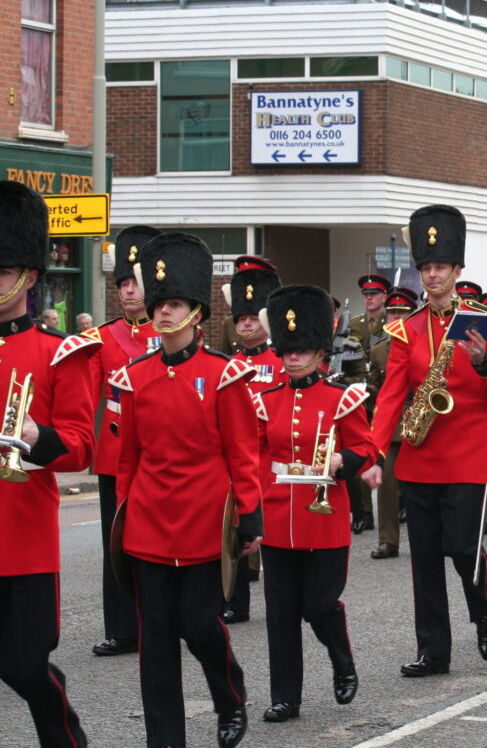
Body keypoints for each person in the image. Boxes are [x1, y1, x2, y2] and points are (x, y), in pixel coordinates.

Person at [113, 232, 263, 748]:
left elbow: (241, 453)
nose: (161, 312)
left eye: (172, 303)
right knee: (155, 642)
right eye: (157, 304)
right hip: (149, 527)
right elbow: (129, 457)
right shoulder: (135, 377)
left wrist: (251, 517)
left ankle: (229, 695)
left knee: (200, 627)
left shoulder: (224, 376)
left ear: (196, 312)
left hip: (204, 524)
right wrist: (123, 518)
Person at [369, 204, 487, 677]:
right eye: (426, 268)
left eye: (440, 268)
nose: (432, 276)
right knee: (426, 561)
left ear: (457, 270)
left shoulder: (486, 322)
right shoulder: (406, 328)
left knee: (462, 548)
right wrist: (373, 450)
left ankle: (485, 614)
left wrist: (482, 363)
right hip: (418, 458)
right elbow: (391, 396)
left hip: (468, 457)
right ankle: (434, 650)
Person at [0, 181, 98, 748]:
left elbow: (83, 446)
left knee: (27, 666)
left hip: (26, 535)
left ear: (29, 278)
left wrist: (37, 436)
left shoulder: (60, 350)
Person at [255, 285, 379, 723]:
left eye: (302, 349)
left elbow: (366, 449)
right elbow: (254, 461)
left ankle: (341, 657)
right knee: (280, 615)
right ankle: (285, 696)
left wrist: (345, 460)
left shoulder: (342, 398)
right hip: (277, 518)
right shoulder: (265, 402)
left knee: (320, 605)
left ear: (319, 352)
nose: (291, 357)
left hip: (324, 519)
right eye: (287, 350)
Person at [90, 225, 162, 658]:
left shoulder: (168, 329)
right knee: (114, 541)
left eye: (135, 282)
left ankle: (156, 620)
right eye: (123, 284)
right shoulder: (102, 337)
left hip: (157, 453)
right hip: (114, 456)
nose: (129, 291)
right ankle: (121, 627)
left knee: (153, 541)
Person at [222, 255, 284, 626]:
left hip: (270, 458)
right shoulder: (229, 364)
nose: (246, 324)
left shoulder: (280, 360)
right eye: (241, 318)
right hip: (240, 457)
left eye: (252, 318)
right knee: (234, 529)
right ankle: (235, 599)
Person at [367, 287, 419, 560]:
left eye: (402, 312)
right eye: (392, 313)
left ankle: (435, 537)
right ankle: (389, 540)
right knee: (387, 486)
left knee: (424, 487)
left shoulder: (422, 342)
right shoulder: (378, 351)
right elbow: (374, 386)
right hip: (392, 423)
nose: (396, 317)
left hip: (422, 421)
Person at [345, 274, 391, 534]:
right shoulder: (354, 324)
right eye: (366, 294)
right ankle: (362, 512)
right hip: (360, 395)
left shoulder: (391, 322)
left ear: (384, 296)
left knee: (386, 456)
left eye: (374, 294)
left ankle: (395, 505)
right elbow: (347, 359)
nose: (369, 298)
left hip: (383, 394)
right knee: (358, 453)